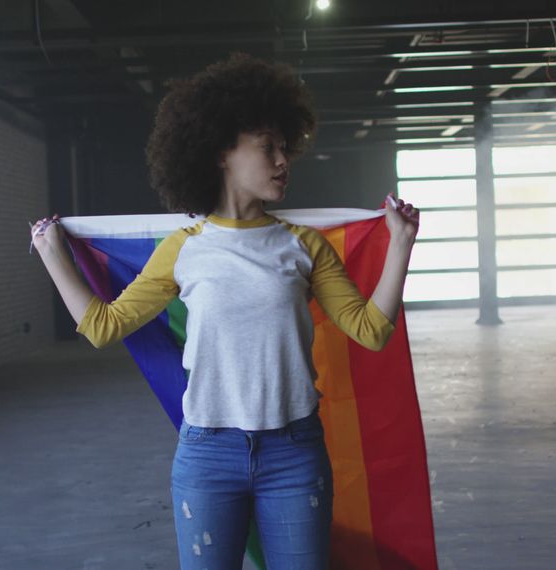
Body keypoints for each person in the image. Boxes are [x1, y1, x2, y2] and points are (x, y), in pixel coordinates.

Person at [30, 52, 419, 569]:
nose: (284, 161)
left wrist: (400, 244)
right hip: (207, 457)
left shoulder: (304, 246)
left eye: (286, 148)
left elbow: (370, 332)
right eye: (268, 148)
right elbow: (104, 327)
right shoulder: (184, 248)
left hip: (294, 454)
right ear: (220, 152)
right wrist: (53, 252)